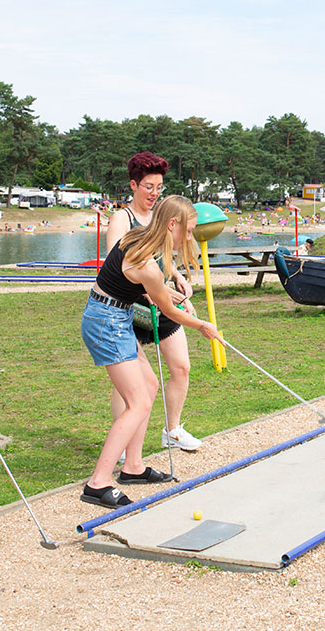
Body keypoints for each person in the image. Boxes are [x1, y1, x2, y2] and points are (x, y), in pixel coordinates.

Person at [80, 196, 219, 508]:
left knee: (150, 386)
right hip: (106, 323)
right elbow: (166, 307)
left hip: (114, 316)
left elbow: (139, 286)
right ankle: (98, 483)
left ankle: (133, 468)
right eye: (188, 231)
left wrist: (167, 292)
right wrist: (202, 326)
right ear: (172, 225)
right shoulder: (147, 262)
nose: (189, 238)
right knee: (139, 402)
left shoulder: (139, 239)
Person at [104, 152, 203, 453]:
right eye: (148, 186)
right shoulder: (123, 219)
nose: (154, 193)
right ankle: (122, 445)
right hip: (130, 307)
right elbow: (116, 264)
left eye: (159, 187)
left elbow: (162, 254)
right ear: (133, 185)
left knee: (181, 366)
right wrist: (152, 290)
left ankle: (171, 430)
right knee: (131, 382)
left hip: (161, 300)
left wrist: (177, 275)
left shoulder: (163, 214)